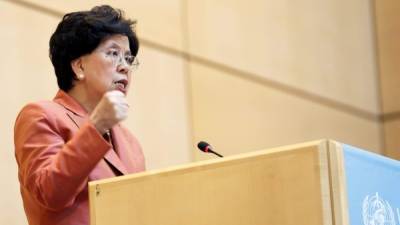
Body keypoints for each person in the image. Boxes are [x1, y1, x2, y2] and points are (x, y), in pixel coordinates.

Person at [14, 5, 145, 225]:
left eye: (129, 59)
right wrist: (96, 127)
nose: (125, 67)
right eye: (113, 53)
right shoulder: (41, 116)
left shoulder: (131, 144)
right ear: (79, 66)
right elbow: (50, 193)